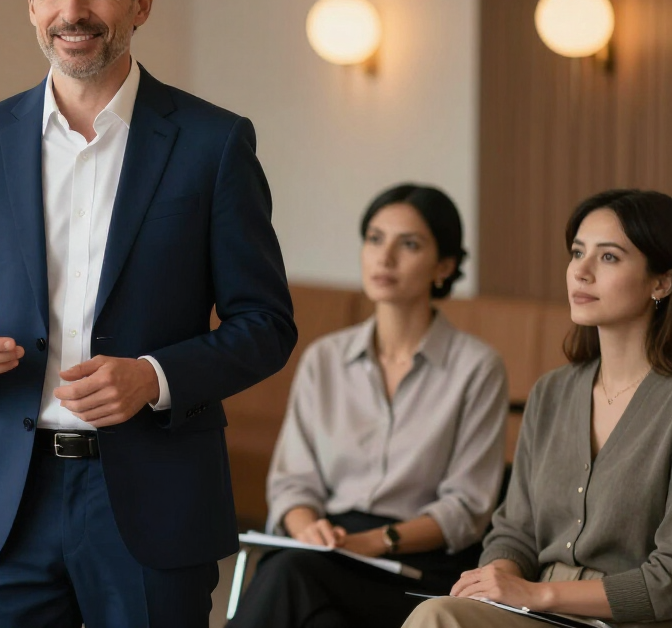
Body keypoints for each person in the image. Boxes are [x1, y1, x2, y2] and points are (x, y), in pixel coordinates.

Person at [0, 0, 297, 627]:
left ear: (141, 2)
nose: (72, 9)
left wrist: (154, 378)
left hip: (156, 500)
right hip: (7, 507)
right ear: (30, 5)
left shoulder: (213, 145)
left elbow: (266, 324)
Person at [229, 184, 509, 628]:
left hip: (420, 564)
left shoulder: (477, 368)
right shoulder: (325, 358)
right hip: (328, 549)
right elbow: (292, 482)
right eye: (375, 239)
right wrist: (308, 529)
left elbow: (467, 508)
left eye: (409, 244)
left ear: (444, 266)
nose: (385, 257)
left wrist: (376, 542)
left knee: (289, 576)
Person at [403, 188, 672, 627]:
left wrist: (536, 593)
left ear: (661, 281)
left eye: (608, 258)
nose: (580, 272)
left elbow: (667, 582)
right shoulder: (551, 393)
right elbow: (514, 533)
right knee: (438, 615)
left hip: (628, 620)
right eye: (576, 252)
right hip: (539, 615)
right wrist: (500, 579)